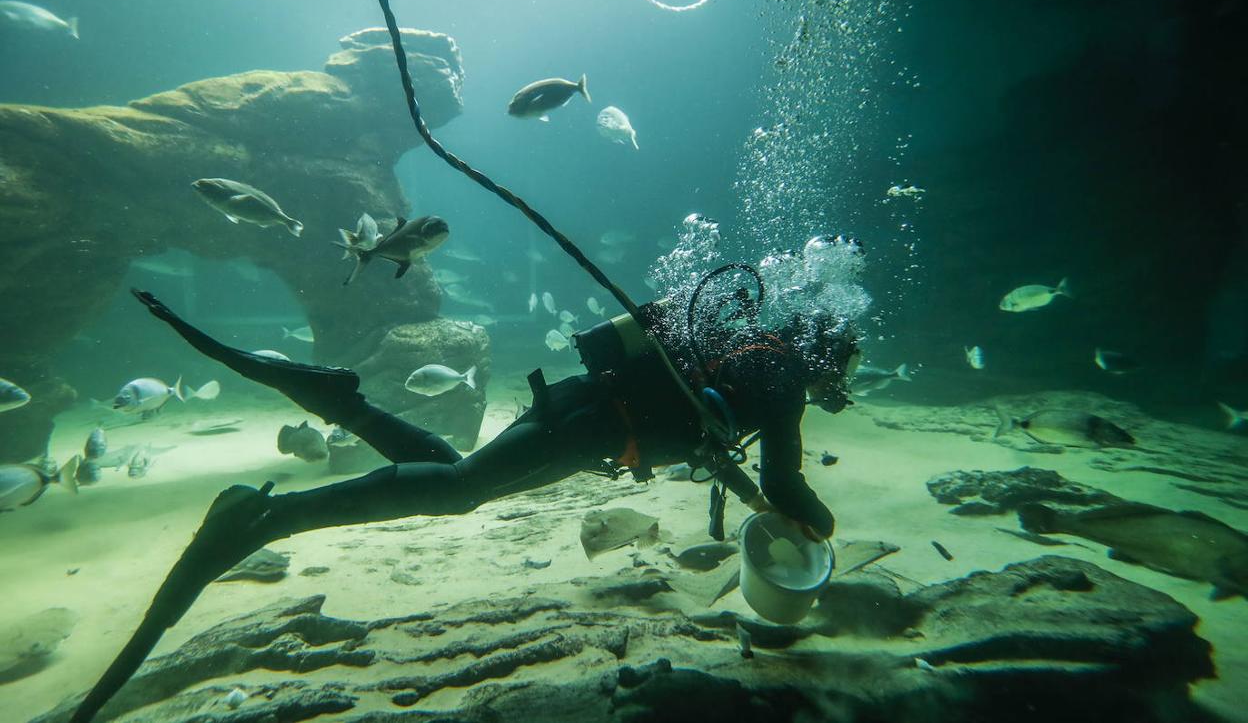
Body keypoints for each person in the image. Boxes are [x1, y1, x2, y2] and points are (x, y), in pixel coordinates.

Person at [71, 283, 857, 721]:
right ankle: (268, 518)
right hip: (589, 427)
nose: (837, 386)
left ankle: (338, 402)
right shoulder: (783, 379)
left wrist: (748, 491)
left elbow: (705, 429)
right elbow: (787, 484)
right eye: (840, 368)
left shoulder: (748, 352)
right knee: (455, 493)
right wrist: (816, 528)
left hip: (585, 410)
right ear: (820, 352)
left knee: (455, 475)